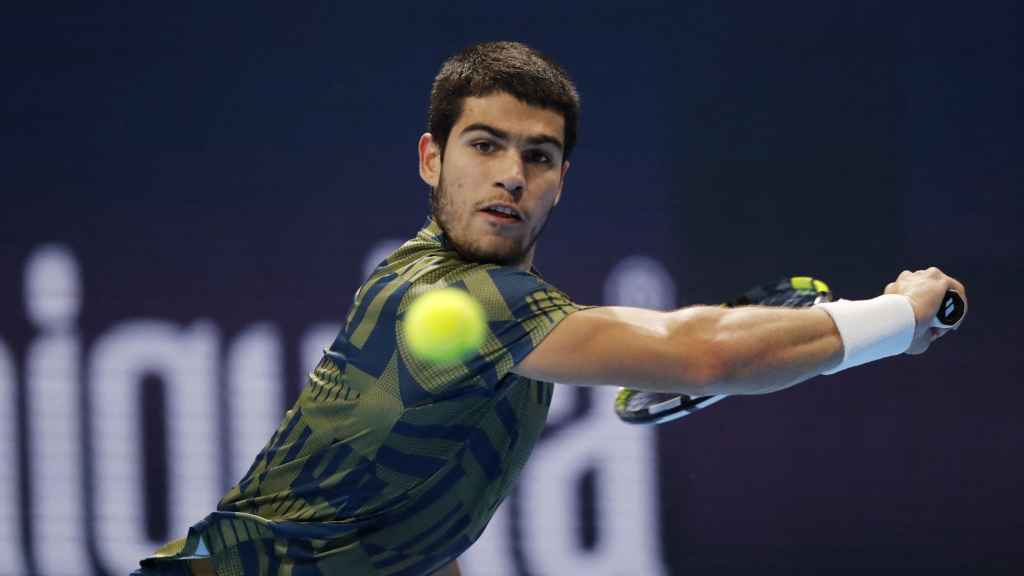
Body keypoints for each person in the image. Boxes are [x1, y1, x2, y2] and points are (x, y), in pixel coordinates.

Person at [134, 41, 967, 576]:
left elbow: (414, 534)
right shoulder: (444, 294)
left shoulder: (523, 331)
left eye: (538, 156)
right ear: (431, 159)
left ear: (560, 180)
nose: (510, 174)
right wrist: (898, 317)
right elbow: (705, 353)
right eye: (484, 145)